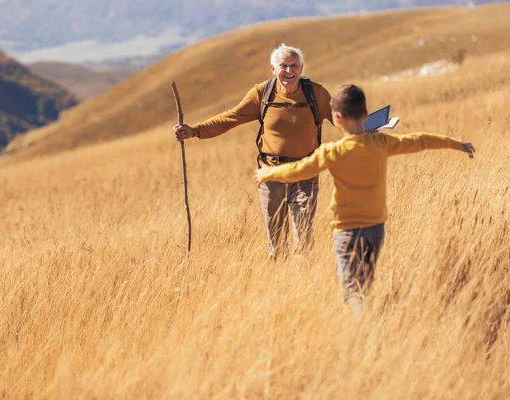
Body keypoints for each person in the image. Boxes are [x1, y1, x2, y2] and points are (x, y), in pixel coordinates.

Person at [255, 84, 475, 317]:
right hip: (375, 229)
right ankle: (370, 318)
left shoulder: (332, 152)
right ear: (367, 117)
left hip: (346, 231)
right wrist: (457, 144)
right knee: (366, 284)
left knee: (351, 291)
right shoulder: (381, 143)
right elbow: (420, 140)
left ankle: (364, 328)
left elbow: (299, 170)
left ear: (337, 119)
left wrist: (268, 173)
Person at [174, 43, 333, 260]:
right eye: (283, 66)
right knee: (276, 240)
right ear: (273, 69)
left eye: (294, 65)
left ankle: (303, 283)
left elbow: (343, 118)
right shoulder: (262, 93)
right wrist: (195, 131)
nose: (289, 71)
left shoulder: (317, 93)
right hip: (270, 174)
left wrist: (368, 128)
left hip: (305, 174)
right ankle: (278, 284)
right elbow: (231, 117)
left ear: (301, 68)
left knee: (303, 234)